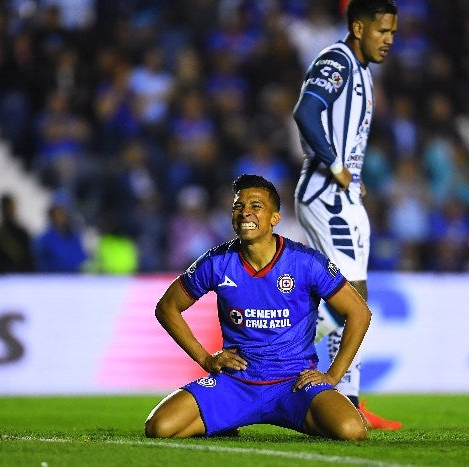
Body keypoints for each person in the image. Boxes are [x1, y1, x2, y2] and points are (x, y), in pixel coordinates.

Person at [145, 174, 370, 440]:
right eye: (238, 207)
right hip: (236, 383)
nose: (245, 213)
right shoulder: (217, 262)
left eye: (256, 206)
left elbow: (359, 312)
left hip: (294, 384)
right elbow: (167, 307)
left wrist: (333, 375)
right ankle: (228, 420)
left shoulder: (306, 262)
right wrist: (205, 358)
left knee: (351, 430)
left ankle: (226, 421)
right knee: (159, 427)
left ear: (275, 218)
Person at [291, 0, 401, 430]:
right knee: (350, 300)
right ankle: (269, 352)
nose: (389, 40)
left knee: (353, 297)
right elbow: (306, 111)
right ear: (358, 27)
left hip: (344, 193)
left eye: (393, 32)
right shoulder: (336, 59)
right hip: (326, 194)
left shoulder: (363, 71)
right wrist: (337, 166)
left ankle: (349, 400)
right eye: (382, 31)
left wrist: (352, 174)